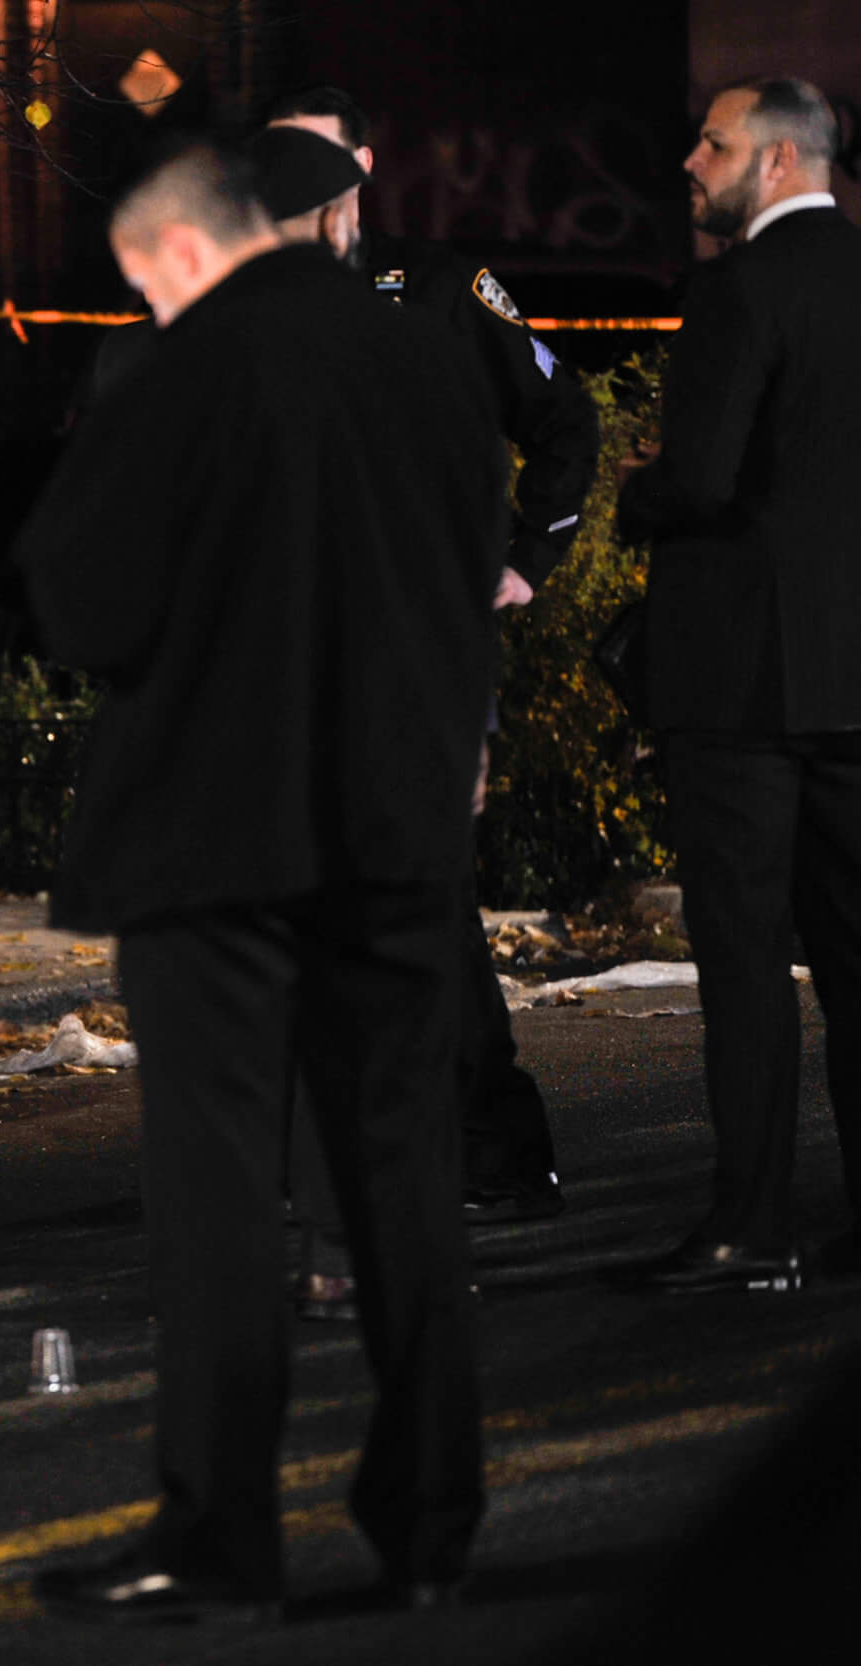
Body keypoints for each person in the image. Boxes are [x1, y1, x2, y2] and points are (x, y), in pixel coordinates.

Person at [16, 140, 504, 1621]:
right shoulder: (424, 358)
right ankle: (427, 1519)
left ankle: (224, 1526)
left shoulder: (176, 372)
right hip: (399, 825)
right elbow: (474, 564)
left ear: (175, 254)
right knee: (405, 1168)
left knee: (222, 1185)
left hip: (215, 837)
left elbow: (82, 598)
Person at [271, 86, 602, 1229]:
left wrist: (522, 565)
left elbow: (563, 422)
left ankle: (495, 1151)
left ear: (361, 164)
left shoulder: (441, 287)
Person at [616, 76, 861, 1293]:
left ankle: (750, 1217)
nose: (688, 162)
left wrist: (633, 488)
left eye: (709, 143)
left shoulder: (734, 290)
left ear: (770, 161)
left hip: (741, 688)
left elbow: (703, 480)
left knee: (745, 962)